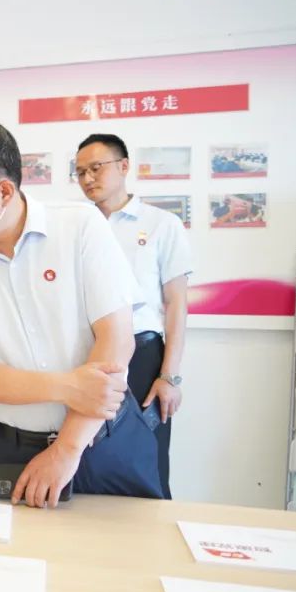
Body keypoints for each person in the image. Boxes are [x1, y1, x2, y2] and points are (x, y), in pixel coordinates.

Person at [0, 119, 163, 508]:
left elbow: (116, 339)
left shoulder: (79, 227)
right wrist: (67, 386)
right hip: (4, 447)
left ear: (3, 191)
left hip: (103, 441)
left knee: (130, 541)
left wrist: (66, 449)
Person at [77, 133, 192, 498]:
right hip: (87, 354)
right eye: (80, 172)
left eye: (96, 168)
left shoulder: (161, 224)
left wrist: (169, 376)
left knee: (146, 460)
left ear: (124, 166)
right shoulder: (77, 226)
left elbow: (176, 303)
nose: (87, 179)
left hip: (142, 357)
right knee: (85, 455)